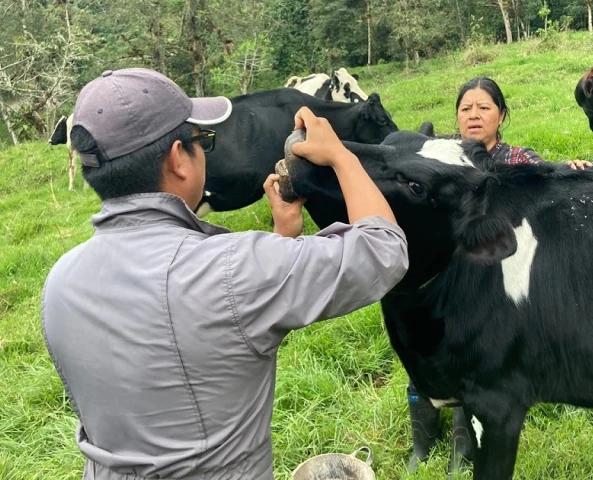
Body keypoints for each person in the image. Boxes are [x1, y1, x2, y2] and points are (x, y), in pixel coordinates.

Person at [40, 67, 409, 480]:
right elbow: (383, 251)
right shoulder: (234, 269)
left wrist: (282, 235)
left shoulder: (59, 282)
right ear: (179, 159)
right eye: (203, 141)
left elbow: (210, 333)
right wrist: (342, 155)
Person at [405, 76, 593, 476]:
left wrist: (570, 170)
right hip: (441, 282)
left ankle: (462, 446)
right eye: (465, 108)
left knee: (473, 366)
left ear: (501, 115)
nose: (474, 115)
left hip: (495, 284)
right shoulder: (438, 156)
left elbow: (547, 184)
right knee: (423, 354)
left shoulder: (518, 160)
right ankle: (421, 444)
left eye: (484, 107)